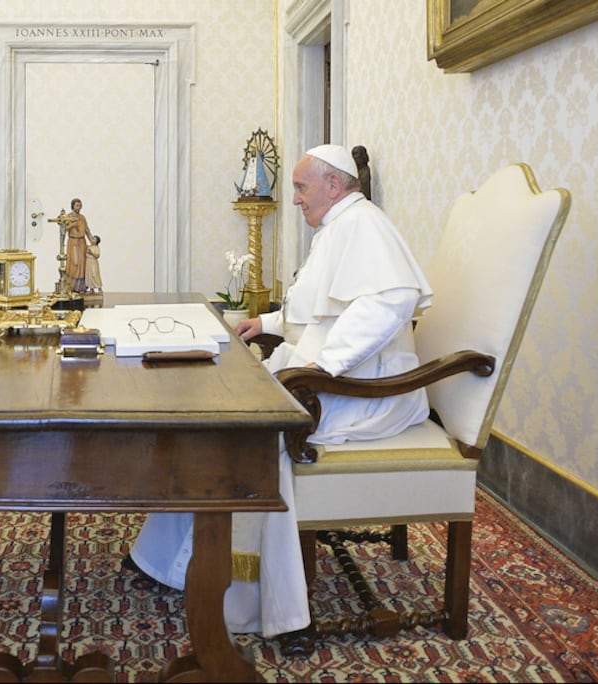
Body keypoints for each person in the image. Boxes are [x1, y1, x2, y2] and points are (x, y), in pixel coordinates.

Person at [126, 144, 433, 642]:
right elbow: (317, 309)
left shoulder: (363, 225)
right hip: (328, 379)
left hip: (365, 391)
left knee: (247, 432)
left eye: (301, 187)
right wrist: (265, 321)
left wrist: (324, 367)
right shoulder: (339, 227)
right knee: (215, 414)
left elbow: (391, 300)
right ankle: (168, 560)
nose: (294, 200)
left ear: (334, 185)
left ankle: (253, 599)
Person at [62, 198, 95, 293]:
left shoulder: (82, 217)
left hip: (82, 242)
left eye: (80, 205)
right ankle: (71, 286)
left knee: (82, 263)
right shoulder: (69, 216)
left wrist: (91, 239)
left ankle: (81, 287)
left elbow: (87, 230)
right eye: (77, 205)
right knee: (74, 263)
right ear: (72, 206)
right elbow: (64, 229)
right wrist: (73, 224)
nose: (78, 207)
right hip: (73, 242)